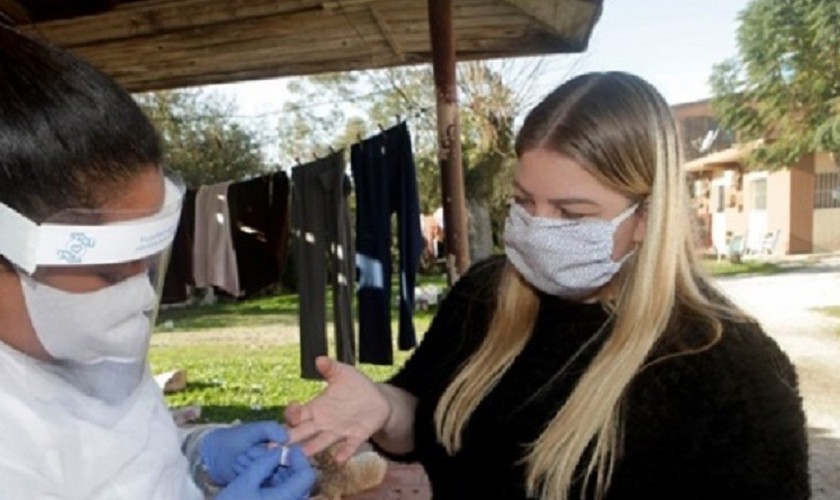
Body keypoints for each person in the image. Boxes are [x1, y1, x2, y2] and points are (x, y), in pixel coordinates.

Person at [285, 71, 810, 499]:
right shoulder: (484, 297)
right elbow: (429, 427)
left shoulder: (731, 369)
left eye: (571, 212)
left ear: (649, 215)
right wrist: (382, 405)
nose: (538, 228)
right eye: (523, 201)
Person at [0, 2, 314, 499]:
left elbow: (116, 459)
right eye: (109, 274)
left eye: (146, 266)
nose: (137, 296)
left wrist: (197, 454)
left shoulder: (68, 341)